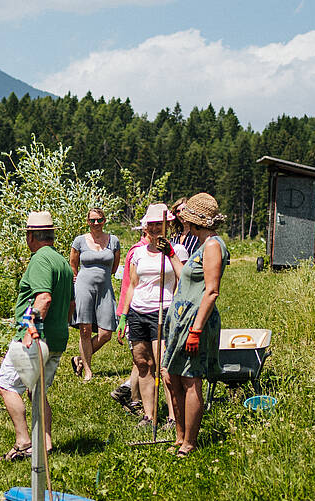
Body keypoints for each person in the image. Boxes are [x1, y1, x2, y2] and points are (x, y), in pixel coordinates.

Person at [0, 211, 75, 462]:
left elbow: (44, 298)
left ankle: (24, 442)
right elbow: (71, 305)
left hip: (34, 337)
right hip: (57, 337)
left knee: (7, 384)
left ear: (31, 236)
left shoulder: (40, 260)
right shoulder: (62, 262)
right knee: (37, 391)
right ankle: (46, 443)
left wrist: (31, 330)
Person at [164, 193, 226, 457]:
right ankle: (180, 436)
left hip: (194, 321)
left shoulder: (213, 246)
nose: (183, 222)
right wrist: (170, 255)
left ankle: (190, 442)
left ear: (198, 222)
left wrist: (196, 329)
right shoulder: (202, 245)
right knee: (172, 376)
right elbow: (188, 278)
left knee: (190, 380)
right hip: (181, 319)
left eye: (187, 219)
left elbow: (211, 291)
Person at [113, 204, 186, 427]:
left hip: (163, 311)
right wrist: (124, 316)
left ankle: (174, 416)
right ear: (145, 227)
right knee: (143, 363)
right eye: (151, 225)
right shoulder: (138, 253)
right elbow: (132, 285)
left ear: (168, 225)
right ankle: (149, 415)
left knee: (164, 365)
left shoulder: (177, 251)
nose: (155, 229)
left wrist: (170, 254)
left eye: (159, 225)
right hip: (138, 312)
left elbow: (183, 279)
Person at [68, 208, 121, 382]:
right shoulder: (80, 241)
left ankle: (79, 359)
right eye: (92, 220)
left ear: (105, 221)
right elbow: (73, 264)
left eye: (99, 220)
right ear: (88, 222)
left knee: (106, 333)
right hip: (84, 286)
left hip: (105, 287)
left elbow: (114, 267)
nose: (96, 224)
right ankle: (88, 370)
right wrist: (76, 281)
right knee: (85, 329)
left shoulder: (113, 240)